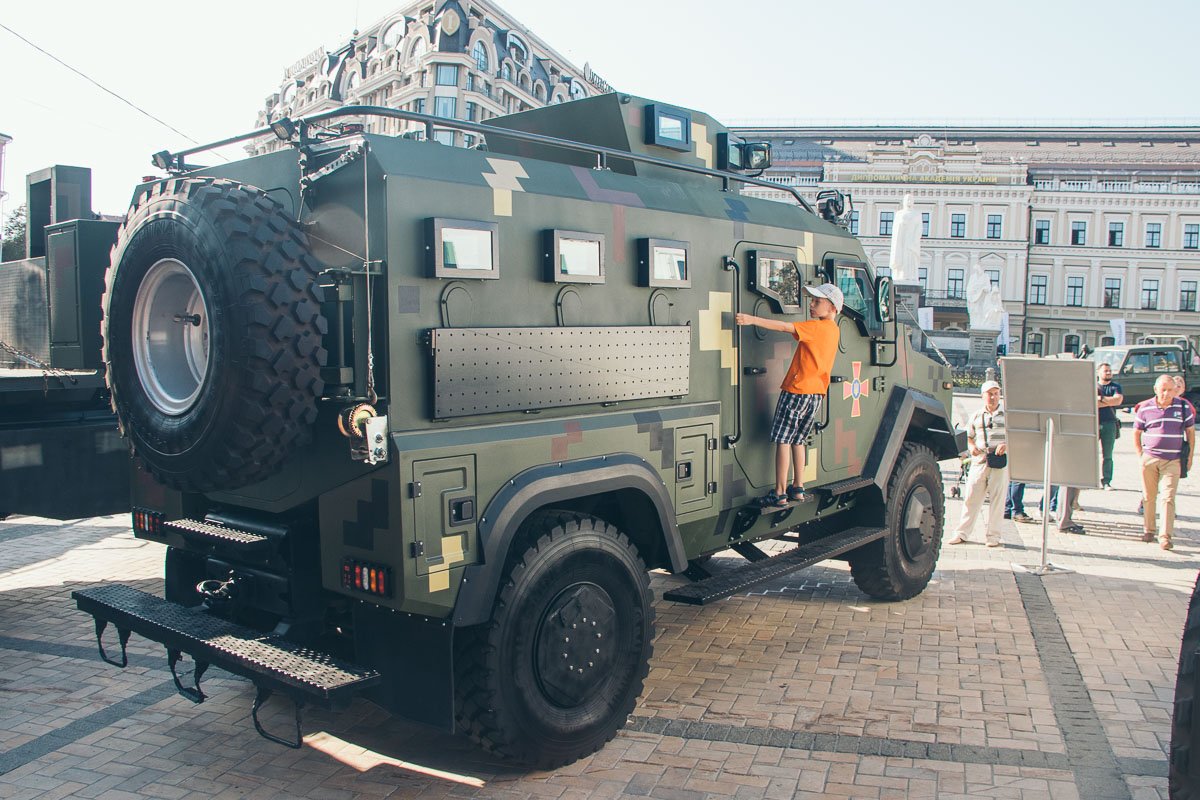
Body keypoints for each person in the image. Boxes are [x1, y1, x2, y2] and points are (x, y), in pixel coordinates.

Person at [736, 283, 843, 507]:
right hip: (816, 394)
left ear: (832, 307)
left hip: (797, 390)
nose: (811, 305)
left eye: (817, 302)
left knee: (783, 440)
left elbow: (786, 327)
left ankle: (780, 492)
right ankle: (799, 488)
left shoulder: (817, 328)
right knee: (799, 440)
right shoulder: (834, 330)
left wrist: (752, 319)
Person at [1133, 374, 1196, 550]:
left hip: (1173, 460)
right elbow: (1136, 432)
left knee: (1168, 498)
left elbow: (1191, 433)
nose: (1166, 394)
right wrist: (1140, 454)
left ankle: (1165, 536)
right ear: (1155, 390)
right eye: (1163, 390)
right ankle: (1149, 530)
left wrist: (1190, 456)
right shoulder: (1145, 408)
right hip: (1150, 459)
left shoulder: (1182, 407)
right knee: (1149, 496)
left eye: (1170, 390)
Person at [948, 381, 1008, 547]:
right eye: (990, 394)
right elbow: (968, 436)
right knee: (971, 498)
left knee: (997, 500)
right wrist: (972, 446)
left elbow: (1016, 435)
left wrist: (1006, 444)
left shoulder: (1007, 414)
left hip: (999, 462)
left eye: (996, 393)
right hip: (980, 461)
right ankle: (962, 533)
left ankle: (993, 536)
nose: (993, 397)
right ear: (983, 396)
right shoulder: (977, 415)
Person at [1097, 363, 1124, 489]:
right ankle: (1090, 480)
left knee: (1108, 455)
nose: (1108, 373)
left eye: (1109, 370)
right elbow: (1091, 404)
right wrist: (1109, 401)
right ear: (1099, 372)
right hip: (1094, 423)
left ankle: (1106, 481)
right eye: (1105, 371)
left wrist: (1100, 399)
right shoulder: (1093, 386)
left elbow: (1118, 400)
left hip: (1110, 423)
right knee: (1089, 453)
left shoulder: (1116, 387)